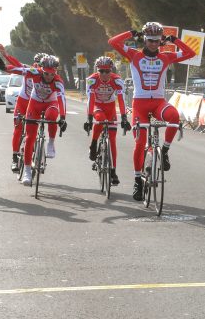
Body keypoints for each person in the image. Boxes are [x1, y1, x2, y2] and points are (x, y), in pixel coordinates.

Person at [108, 22, 195, 201]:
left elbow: (190, 53)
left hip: (158, 103)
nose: (154, 44)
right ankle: (137, 180)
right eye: (150, 40)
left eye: (157, 41)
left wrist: (175, 39)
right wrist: (132, 32)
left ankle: (164, 151)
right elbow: (113, 42)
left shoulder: (166, 57)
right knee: (140, 142)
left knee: (173, 117)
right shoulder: (134, 55)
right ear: (145, 40)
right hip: (139, 104)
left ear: (160, 41)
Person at [12, 56, 67, 186]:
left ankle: (51, 143)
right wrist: (4, 67)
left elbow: (62, 99)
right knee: (30, 138)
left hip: (50, 104)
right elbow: (17, 69)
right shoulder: (35, 73)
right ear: (42, 70)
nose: (49, 76)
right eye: (46, 73)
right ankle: (27, 171)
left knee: (52, 117)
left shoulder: (58, 81)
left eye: (52, 74)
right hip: (34, 104)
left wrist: (63, 117)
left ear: (56, 72)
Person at [0, 44, 48, 172]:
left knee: (36, 129)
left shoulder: (47, 75)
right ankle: (14, 157)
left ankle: (36, 149)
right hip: (23, 102)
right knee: (18, 128)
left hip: (37, 104)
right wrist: (5, 54)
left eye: (42, 64)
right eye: (37, 63)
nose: (38, 66)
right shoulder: (29, 70)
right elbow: (16, 64)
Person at [83, 56, 131, 186]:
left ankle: (113, 171)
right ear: (97, 70)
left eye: (107, 71)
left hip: (110, 108)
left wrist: (124, 117)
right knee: (100, 119)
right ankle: (93, 144)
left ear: (112, 70)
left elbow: (121, 100)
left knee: (113, 140)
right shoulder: (92, 80)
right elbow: (90, 99)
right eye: (101, 71)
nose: (104, 74)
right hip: (97, 106)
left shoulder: (117, 80)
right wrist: (89, 118)